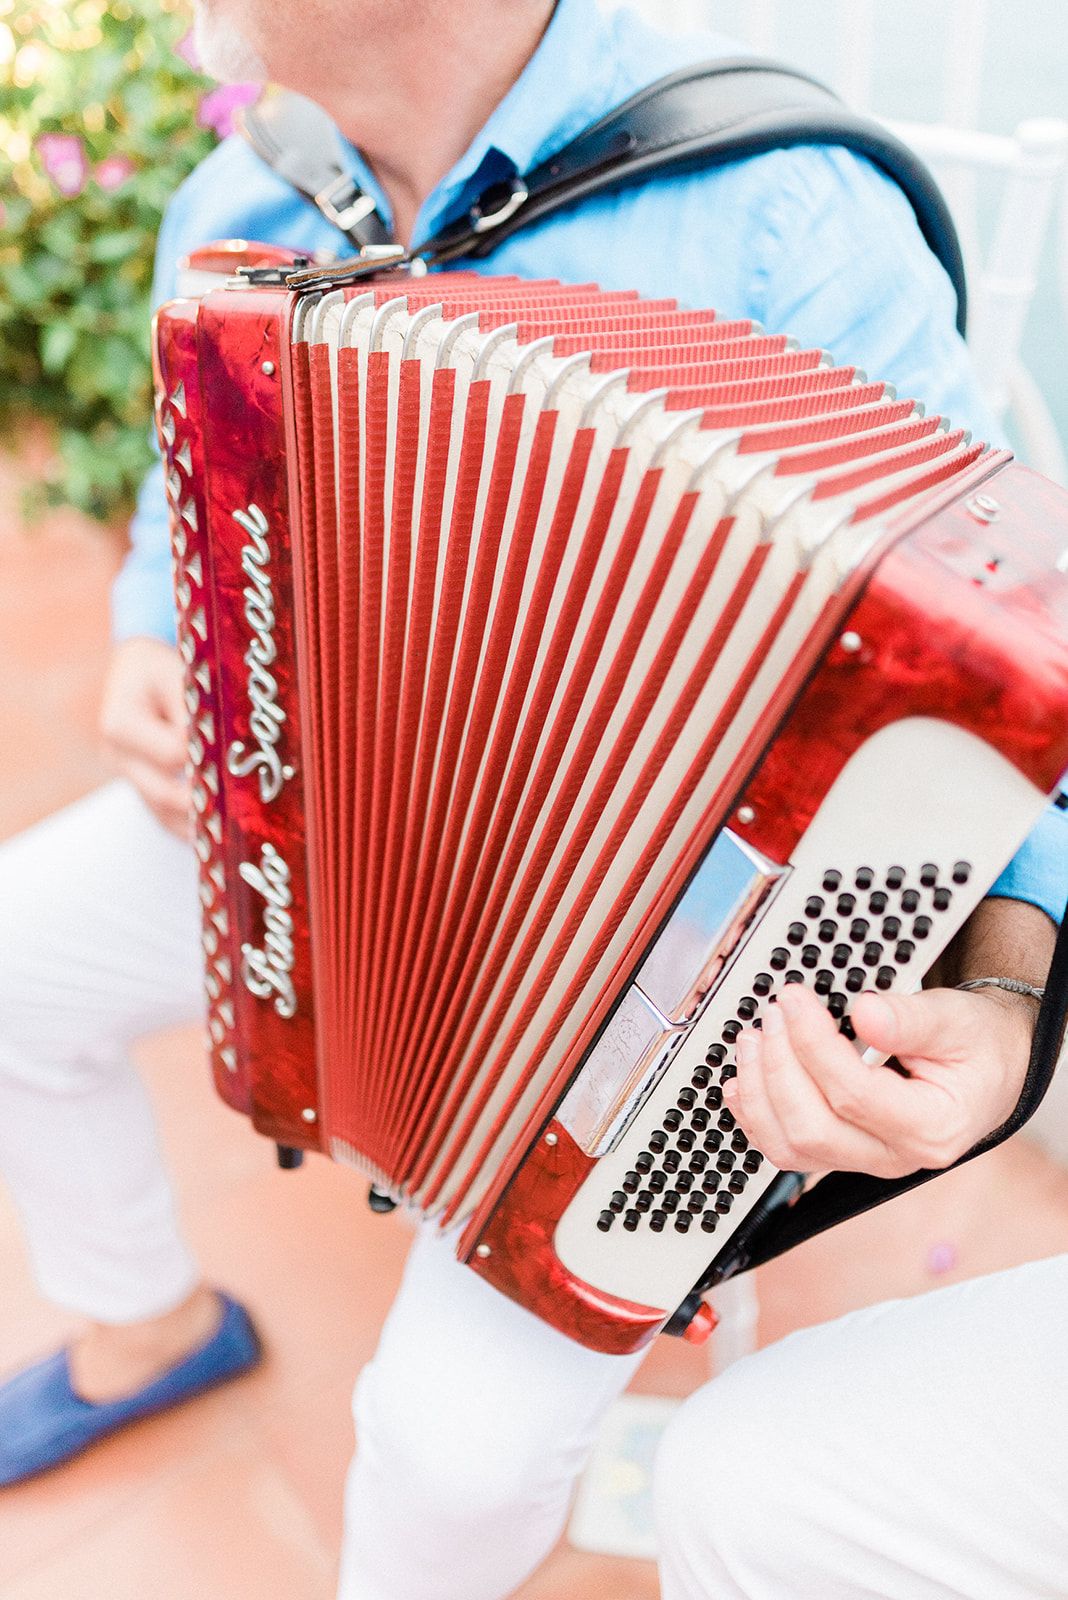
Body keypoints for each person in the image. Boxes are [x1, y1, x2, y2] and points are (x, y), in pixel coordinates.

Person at [1, 0, 1065, 1594]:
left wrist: (1009, 973)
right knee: (17, 949)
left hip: (650, 975)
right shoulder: (232, 211)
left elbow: (999, 671)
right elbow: (181, 508)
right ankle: (148, 1322)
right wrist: (149, 641)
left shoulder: (786, 208)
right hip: (312, 841)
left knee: (449, 1443)